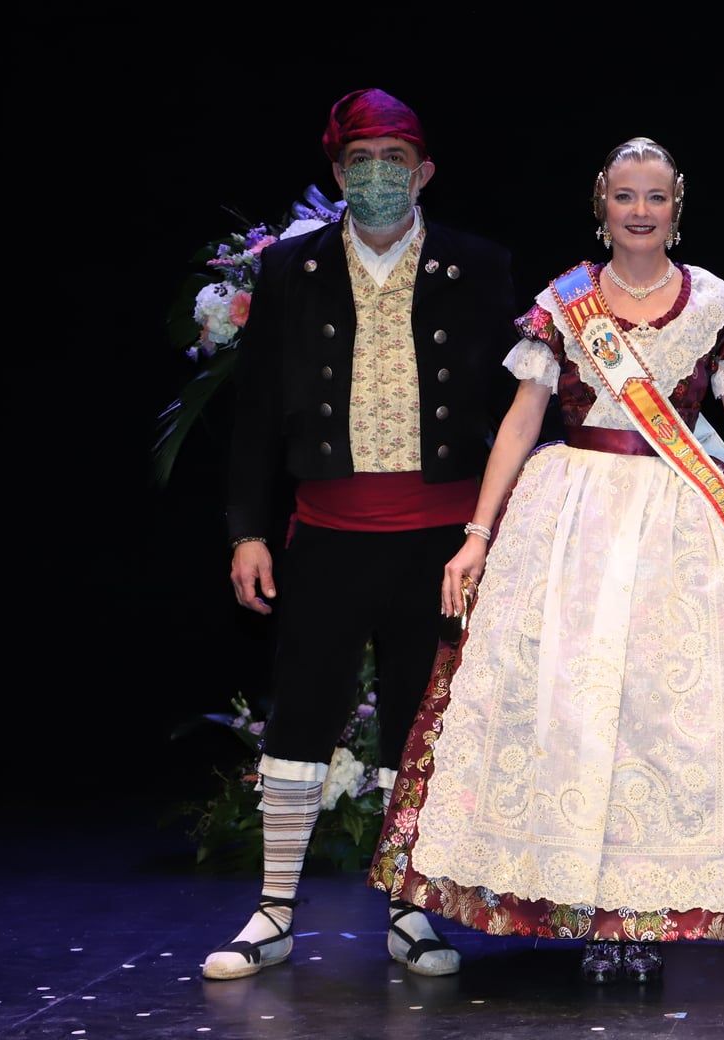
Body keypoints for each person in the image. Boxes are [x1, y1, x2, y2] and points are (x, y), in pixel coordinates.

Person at [370, 138, 724, 983]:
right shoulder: (564, 303)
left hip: (676, 524)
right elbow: (521, 422)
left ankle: (645, 914)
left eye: (656, 198)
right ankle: (571, 902)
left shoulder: (714, 302)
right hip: (567, 522)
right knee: (566, 709)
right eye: (625, 197)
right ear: (600, 204)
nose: (640, 213)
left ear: (678, 206)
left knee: (655, 717)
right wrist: (478, 533)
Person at [204, 88, 517, 981]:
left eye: (394, 161)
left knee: (421, 730)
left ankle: (412, 913)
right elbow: (256, 415)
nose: (378, 177)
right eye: (359, 162)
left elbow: (518, 407)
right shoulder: (291, 270)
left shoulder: (479, 265)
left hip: (443, 544)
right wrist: (247, 532)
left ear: (423, 171)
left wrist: (505, 532)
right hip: (331, 533)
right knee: (301, 711)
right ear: (336, 173)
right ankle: (271, 913)